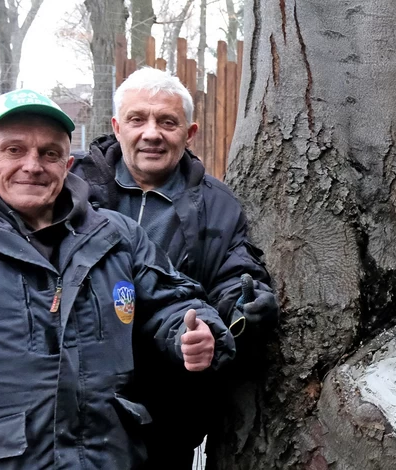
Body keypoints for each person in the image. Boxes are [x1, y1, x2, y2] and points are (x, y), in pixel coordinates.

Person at [0, 89, 235, 468]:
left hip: (106, 455)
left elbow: (172, 300)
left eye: (50, 153)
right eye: (13, 150)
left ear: (68, 163)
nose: (33, 165)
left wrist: (195, 331)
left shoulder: (115, 234)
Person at [71, 67, 279, 466]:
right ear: (116, 126)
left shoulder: (217, 203)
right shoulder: (72, 183)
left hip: (168, 401)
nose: (152, 133)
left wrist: (243, 308)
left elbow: (234, 269)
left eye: (168, 122)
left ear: (190, 132)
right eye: (138, 119)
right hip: (79, 398)